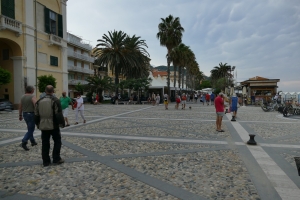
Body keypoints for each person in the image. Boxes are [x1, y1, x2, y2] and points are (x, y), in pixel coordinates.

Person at [34, 85, 65, 167]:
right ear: (53, 91)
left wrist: (37, 124)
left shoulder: (39, 101)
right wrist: (62, 123)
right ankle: (56, 158)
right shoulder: (55, 101)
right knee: (57, 141)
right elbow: (58, 114)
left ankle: (46, 161)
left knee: (45, 143)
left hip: (43, 125)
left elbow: (36, 115)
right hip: (53, 125)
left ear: (45, 91)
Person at [19, 85, 37, 151]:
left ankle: (32, 141)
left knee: (29, 128)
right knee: (31, 129)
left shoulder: (22, 97)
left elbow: (20, 106)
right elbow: (36, 104)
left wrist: (20, 115)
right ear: (31, 90)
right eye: (33, 89)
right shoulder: (32, 96)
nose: (34, 90)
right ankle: (24, 141)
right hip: (31, 114)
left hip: (25, 114)